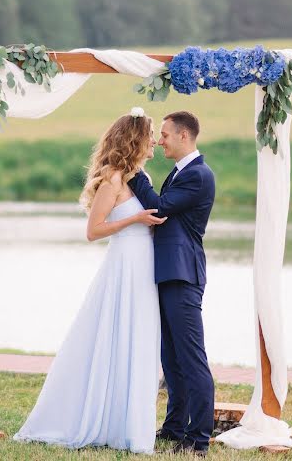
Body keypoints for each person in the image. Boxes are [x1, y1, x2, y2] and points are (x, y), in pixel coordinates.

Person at [14, 109, 165, 454]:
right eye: (151, 135)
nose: (155, 141)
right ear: (135, 138)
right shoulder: (111, 179)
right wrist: (135, 219)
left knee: (139, 339)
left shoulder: (140, 176)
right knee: (111, 337)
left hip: (143, 268)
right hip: (122, 267)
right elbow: (93, 231)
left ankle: (128, 426)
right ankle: (89, 416)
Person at [128, 110, 215, 458]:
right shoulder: (182, 172)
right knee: (172, 357)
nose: (159, 140)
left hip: (183, 274)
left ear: (183, 136)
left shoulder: (198, 175)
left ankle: (199, 439)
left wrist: (135, 174)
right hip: (168, 272)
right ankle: (175, 427)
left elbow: (161, 209)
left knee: (191, 357)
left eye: (164, 135)